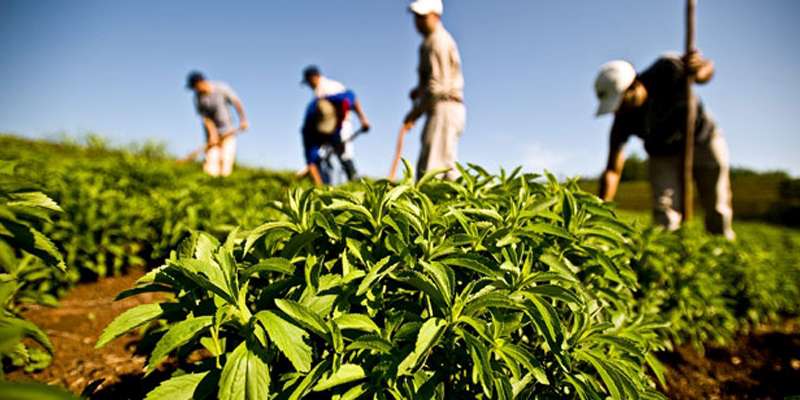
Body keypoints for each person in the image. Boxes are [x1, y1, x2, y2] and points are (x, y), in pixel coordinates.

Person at [594, 52, 735, 240]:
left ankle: (722, 244)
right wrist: (599, 210)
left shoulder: (667, 69)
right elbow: (612, 170)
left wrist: (698, 71)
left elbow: (706, 69)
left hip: (702, 138)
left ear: (634, 85)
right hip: (661, 152)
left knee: (716, 201)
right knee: (664, 209)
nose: (619, 110)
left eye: (621, 102)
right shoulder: (622, 121)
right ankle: (668, 251)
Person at [399, 0, 465, 181]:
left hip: (444, 106)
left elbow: (438, 87)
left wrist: (415, 113)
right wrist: (419, 90)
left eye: (422, 17)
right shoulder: (429, 43)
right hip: (443, 106)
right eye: (416, 17)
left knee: (431, 170)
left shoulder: (437, 41)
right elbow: (433, 81)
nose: (418, 22)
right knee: (444, 165)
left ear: (436, 16)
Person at [302, 66, 370, 181]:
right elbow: (310, 154)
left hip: (341, 124)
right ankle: (326, 184)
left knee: (344, 154)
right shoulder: (313, 109)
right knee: (325, 157)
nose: (308, 85)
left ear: (313, 77)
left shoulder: (329, 88)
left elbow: (352, 99)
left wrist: (363, 119)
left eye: (308, 82)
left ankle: (352, 178)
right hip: (326, 129)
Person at [186, 71, 249, 177]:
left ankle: (224, 183)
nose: (195, 90)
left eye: (195, 87)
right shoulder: (198, 98)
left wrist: (243, 120)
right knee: (211, 161)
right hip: (212, 133)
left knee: (226, 159)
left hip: (228, 130)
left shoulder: (221, 88)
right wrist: (212, 135)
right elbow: (205, 118)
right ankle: (210, 183)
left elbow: (236, 102)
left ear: (200, 82)